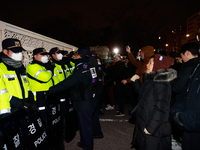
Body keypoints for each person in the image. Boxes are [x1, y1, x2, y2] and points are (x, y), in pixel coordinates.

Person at [48, 48, 98, 150]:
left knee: (86, 127)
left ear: (80, 56)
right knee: (84, 125)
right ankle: (84, 143)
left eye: (76, 54)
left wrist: (49, 91)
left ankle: (88, 147)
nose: (74, 56)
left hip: (84, 102)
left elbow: (66, 83)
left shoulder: (82, 69)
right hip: (90, 99)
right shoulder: (90, 65)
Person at [131, 54, 176, 150]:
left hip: (155, 128)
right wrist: (136, 83)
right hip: (146, 121)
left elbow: (161, 108)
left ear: (158, 66)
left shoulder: (161, 84)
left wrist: (151, 127)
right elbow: (144, 97)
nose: (147, 65)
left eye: (150, 63)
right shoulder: (152, 80)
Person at [170, 42, 200, 150]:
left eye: (181, 56)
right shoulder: (197, 66)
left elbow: (179, 88)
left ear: (187, 53)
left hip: (190, 119)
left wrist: (181, 116)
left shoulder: (190, 66)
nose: (181, 59)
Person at [0, 38, 33, 118]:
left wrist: (31, 99)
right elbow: (2, 93)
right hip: (8, 111)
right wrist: (19, 103)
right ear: (5, 51)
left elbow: (26, 85)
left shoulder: (20, 66)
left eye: (20, 51)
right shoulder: (1, 68)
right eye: (15, 51)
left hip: (23, 108)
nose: (19, 54)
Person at [26, 48, 56, 126]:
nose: (45, 56)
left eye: (45, 55)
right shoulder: (32, 66)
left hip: (47, 95)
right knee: (43, 120)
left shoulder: (43, 66)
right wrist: (50, 70)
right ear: (35, 56)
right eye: (42, 54)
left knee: (50, 118)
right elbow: (45, 78)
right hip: (39, 97)